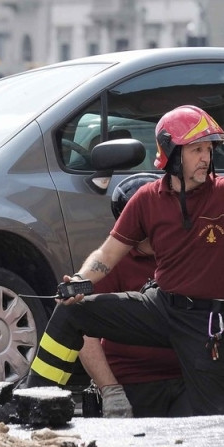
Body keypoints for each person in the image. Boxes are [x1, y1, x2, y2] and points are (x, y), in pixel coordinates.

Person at [23, 105, 224, 416]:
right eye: (196, 150)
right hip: (161, 307)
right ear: (170, 153)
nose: (206, 158)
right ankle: (32, 402)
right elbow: (107, 254)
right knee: (72, 312)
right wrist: (81, 281)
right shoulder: (147, 199)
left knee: (211, 417)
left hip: (208, 322)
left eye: (209, 149)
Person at [77, 173, 187, 418]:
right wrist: (110, 390)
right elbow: (84, 330)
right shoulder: (112, 263)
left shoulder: (184, 253)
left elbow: (212, 313)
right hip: (134, 382)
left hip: (186, 378)